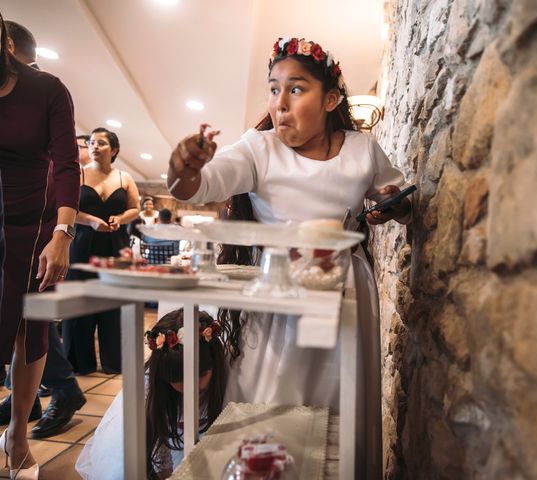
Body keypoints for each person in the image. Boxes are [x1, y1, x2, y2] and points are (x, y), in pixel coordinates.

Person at [167, 37, 411, 478]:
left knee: (339, 403)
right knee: (269, 400)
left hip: (345, 292)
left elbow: (396, 197)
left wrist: (393, 204)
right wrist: (184, 169)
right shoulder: (258, 148)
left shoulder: (362, 149)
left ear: (330, 98)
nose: (280, 103)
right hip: (277, 291)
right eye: (274, 89)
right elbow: (205, 185)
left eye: (296, 89)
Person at [0, 11, 80, 479]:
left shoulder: (48, 89)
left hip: (36, 228)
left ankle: (17, 435)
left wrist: (62, 234)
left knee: (29, 330)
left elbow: (69, 164)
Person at [75, 309, 227, 480]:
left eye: (201, 375)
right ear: (163, 372)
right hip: (159, 439)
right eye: (177, 378)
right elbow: (157, 445)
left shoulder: (223, 380)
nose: (189, 385)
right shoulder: (150, 391)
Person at [62, 127, 141, 375]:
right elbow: (67, 208)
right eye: (92, 143)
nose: (94, 146)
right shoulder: (79, 175)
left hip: (115, 246)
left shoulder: (124, 178)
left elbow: (135, 208)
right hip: (82, 244)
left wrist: (120, 217)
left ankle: (113, 361)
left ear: (114, 149)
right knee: (79, 302)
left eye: (101, 143)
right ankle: (79, 363)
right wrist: (91, 220)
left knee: (113, 304)